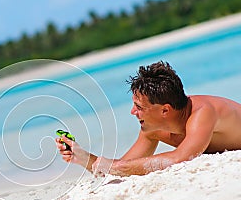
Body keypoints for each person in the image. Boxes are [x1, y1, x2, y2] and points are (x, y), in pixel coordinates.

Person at [56, 61, 241, 177]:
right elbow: (124, 168)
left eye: (139, 107)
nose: (132, 112)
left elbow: (179, 159)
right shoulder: (153, 129)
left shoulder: (202, 114)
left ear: (165, 110)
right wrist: (85, 158)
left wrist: (115, 166)